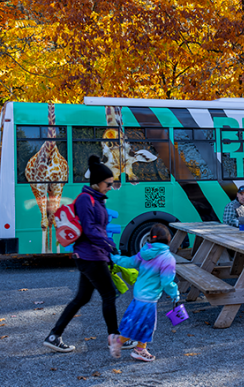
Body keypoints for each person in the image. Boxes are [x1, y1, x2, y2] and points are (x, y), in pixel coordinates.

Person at [44, 155, 136, 355]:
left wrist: (109, 245)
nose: (111, 187)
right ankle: (115, 339)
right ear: (97, 182)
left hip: (92, 255)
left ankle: (54, 336)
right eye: (108, 183)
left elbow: (99, 229)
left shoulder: (96, 199)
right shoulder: (86, 199)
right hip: (90, 256)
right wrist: (108, 246)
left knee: (81, 298)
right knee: (109, 294)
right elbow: (90, 229)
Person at [111, 224, 179, 362]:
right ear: (168, 239)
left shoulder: (144, 252)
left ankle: (140, 349)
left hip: (138, 293)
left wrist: (115, 258)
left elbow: (130, 262)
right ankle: (118, 341)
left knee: (143, 323)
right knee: (141, 324)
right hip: (149, 298)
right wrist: (174, 293)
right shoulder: (168, 258)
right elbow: (167, 282)